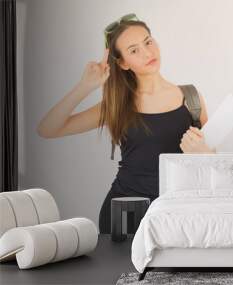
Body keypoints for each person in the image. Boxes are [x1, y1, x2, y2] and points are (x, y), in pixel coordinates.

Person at [36, 13, 215, 234]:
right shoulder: (115, 105)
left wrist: (206, 154)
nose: (147, 52)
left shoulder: (192, 98)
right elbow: (47, 129)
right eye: (134, 50)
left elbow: (215, 165)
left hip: (178, 214)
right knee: (122, 271)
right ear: (122, 63)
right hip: (125, 213)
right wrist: (84, 86)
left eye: (148, 42)